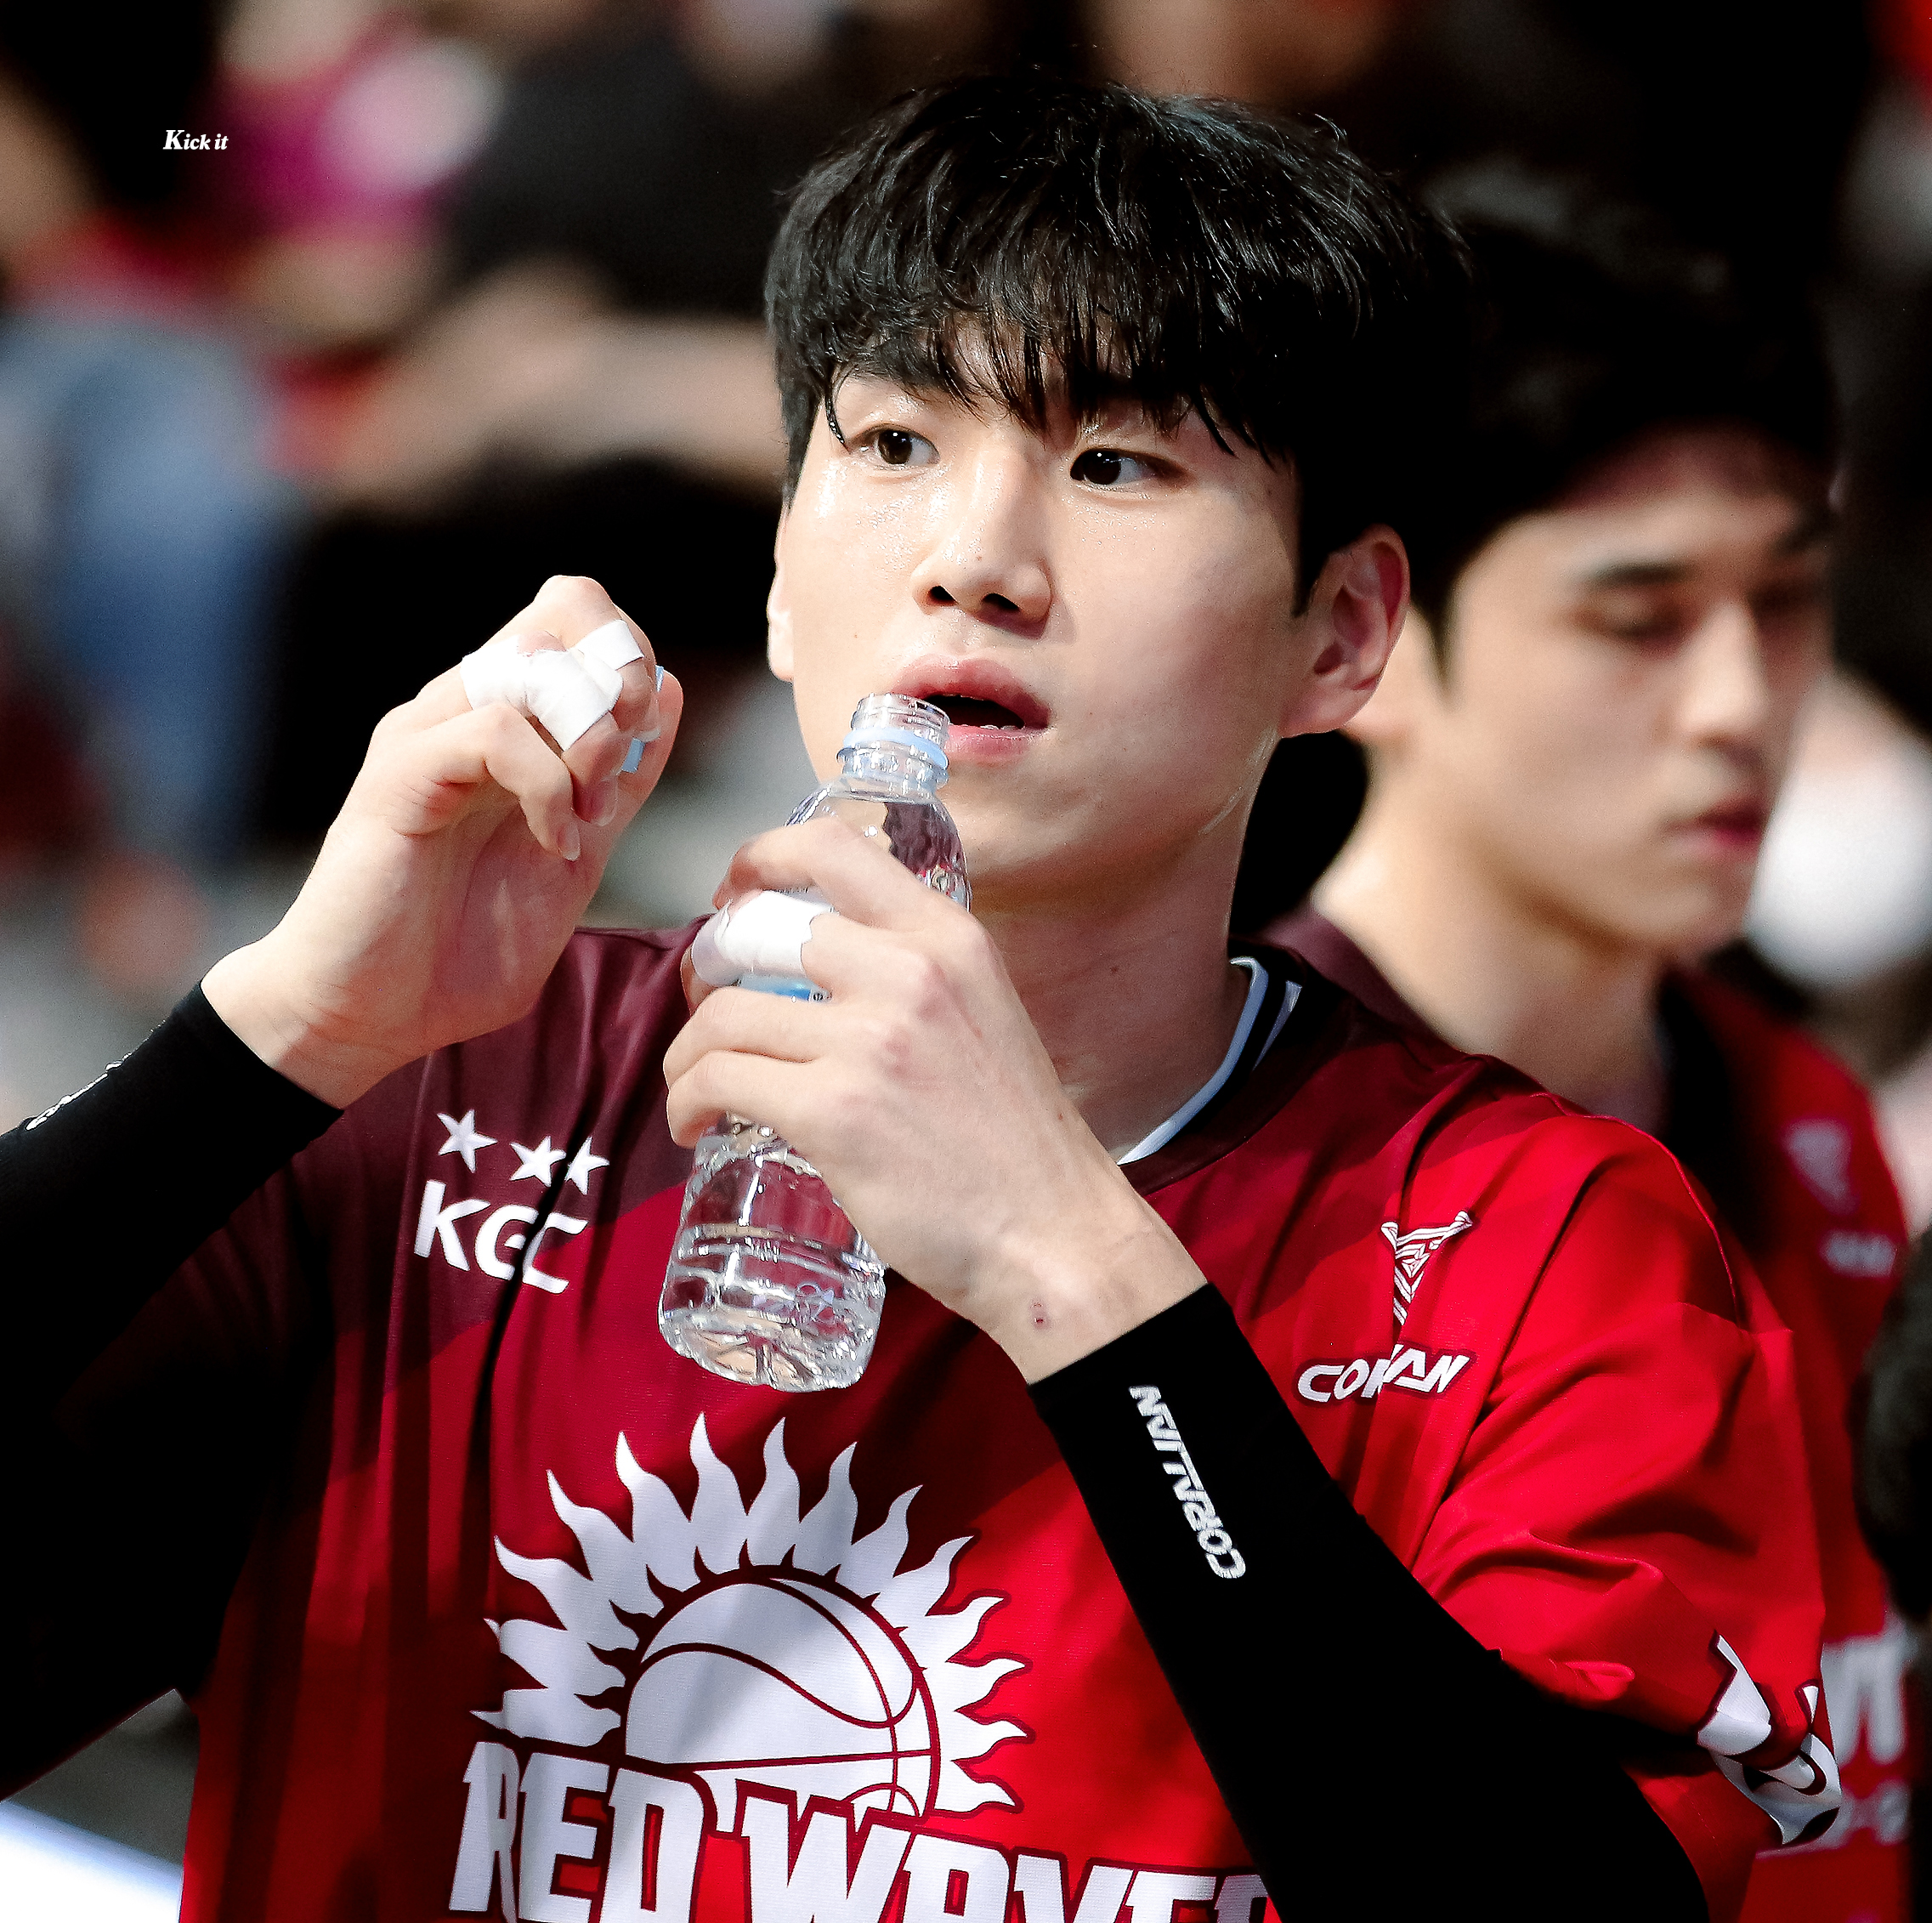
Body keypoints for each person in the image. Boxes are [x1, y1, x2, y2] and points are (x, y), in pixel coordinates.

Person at [5, 82, 1831, 1920]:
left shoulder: (1537, 1243)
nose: (974, 557)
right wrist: (270, 1042)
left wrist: (1072, 1271)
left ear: (1343, 631)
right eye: (893, 442)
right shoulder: (440, 1089)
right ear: (780, 575)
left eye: (1115, 465)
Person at [1258, 167, 1911, 1923]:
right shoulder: (1226, 1183)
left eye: (1784, 599)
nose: (1739, 704)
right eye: (1638, 616)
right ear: (1369, 639)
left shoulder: (1809, 1117)